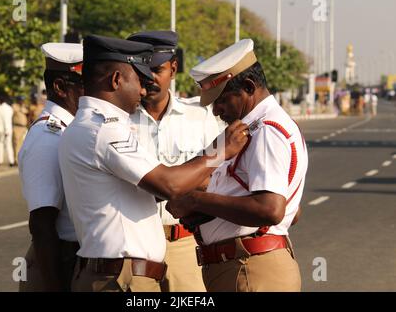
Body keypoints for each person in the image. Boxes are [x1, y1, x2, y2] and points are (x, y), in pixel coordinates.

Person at [58, 35, 248, 292]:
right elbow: (168, 184)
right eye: (139, 80)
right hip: (122, 278)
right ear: (116, 80)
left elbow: (154, 186)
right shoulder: (105, 129)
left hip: (123, 272)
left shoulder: (90, 125)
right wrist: (220, 151)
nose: (144, 90)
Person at [166, 39, 308, 292]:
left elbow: (271, 209)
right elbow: (289, 211)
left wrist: (197, 201)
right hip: (244, 265)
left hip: (251, 268)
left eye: (221, 100)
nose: (216, 111)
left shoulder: (266, 132)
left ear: (248, 86)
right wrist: (207, 213)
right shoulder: (252, 129)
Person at [127, 30, 219, 292]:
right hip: (136, 247)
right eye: (142, 71)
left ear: (174, 68)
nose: (150, 79)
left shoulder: (199, 116)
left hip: (184, 245)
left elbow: (216, 177)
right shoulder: (118, 120)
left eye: (157, 69)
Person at [18, 43, 84, 292]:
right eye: (85, 85)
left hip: (72, 258)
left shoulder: (69, 130)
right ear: (60, 87)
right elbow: (42, 224)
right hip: (59, 263)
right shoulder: (50, 137)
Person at [12, 96, 29, 165]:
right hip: (17, 127)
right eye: (21, 100)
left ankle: (22, 159)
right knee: (16, 144)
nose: (22, 101)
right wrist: (21, 109)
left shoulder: (24, 107)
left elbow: (27, 113)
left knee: (23, 144)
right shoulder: (15, 106)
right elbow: (15, 111)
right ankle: (16, 160)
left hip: (24, 127)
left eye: (23, 100)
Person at [1, 95, 15, 166]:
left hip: (4, 129)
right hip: (9, 128)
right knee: (9, 145)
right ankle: (11, 160)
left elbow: (4, 120)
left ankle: (0, 161)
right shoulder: (10, 108)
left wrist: (5, 130)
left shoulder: (1, 108)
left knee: (2, 145)